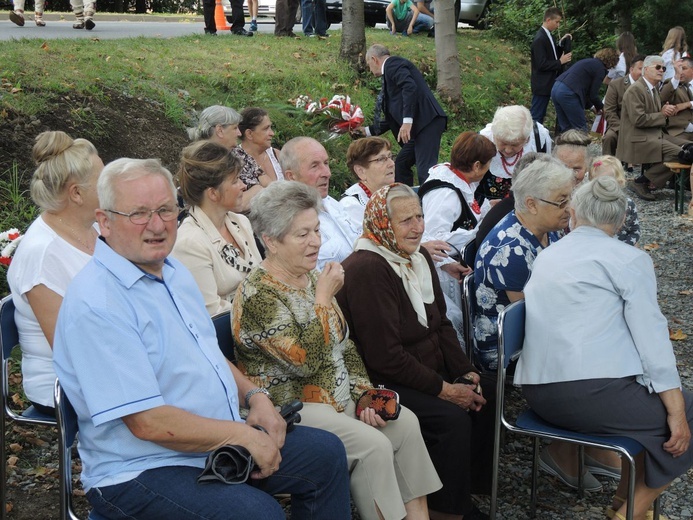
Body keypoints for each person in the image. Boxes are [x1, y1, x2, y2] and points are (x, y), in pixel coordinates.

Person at [52, 157, 351, 520]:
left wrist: (256, 397)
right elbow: (147, 423)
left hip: (209, 446)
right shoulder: (98, 303)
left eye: (165, 210)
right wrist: (244, 437)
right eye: (139, 214)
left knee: (326, 455)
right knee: (258, 514)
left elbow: (207, 350)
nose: (157, 225)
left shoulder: (171, 271)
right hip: (141, 469)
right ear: (105, 222)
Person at [234, 180, 442, 520]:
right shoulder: (259, 295)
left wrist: (364, 394)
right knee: (373, 447)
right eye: (302, 235)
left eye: (316, 229)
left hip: (338, 394)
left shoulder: (312, 276)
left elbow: (344, 346)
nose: (316, 241)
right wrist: (322, 301)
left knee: (405, 423)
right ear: (270, 241)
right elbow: (304, 362)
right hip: (291, 405)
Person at [515, 176, 693, 520]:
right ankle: (629, 512)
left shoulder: (549, 255)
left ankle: (624, 502)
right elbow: (653, 341)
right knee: (684, 411)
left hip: (539, 393)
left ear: (574, 215)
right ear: (622, 219)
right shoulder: (629, 259)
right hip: (590, 397)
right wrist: (676, 410)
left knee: (646, 395)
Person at [336, 183, 495, 520]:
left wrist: (465, 372)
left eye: (420, 216)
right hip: (384, 381)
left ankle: (464, 494)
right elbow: (385, 358)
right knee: (450, 418)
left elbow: (440, 325)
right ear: (382, 223)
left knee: (488, 391)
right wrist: (446, 390)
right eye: (405, 220)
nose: (418, 227)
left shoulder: (417, 256)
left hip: (424, 366)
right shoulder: (368, 268)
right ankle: (444, 510)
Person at [7, 130, 103, 415]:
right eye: (104, 180)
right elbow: (71, 350)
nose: (114, 186)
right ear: (76, 193)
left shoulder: (95, 228)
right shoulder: (42, 254)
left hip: (106, 361)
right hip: (65, 384)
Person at [172, 141, 262, 315]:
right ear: (213, 193)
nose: (244, 185)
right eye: (236, 181)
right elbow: (212, 312)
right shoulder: (189, 243)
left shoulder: (240, 221)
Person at [419, 131, 495, 338]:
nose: (489, 170)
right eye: (487, 165)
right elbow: (430, 239)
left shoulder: (456, 179)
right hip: (445, 272)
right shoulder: (446, 194)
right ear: (477, 166)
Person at [356, 44, 447, 186]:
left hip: (426, 122)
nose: (369, 68)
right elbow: (393, 114)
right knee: (401, 164)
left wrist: (407, 122)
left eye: (369, 64)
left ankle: (431, 203)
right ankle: (406, 198)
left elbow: (409, 87)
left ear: (374, 59)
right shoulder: (390, 71)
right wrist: (367, 130)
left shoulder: (392, 64)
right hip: (418, 126)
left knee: (425, 170)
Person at [617, 55, 691, 202]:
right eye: (657, 67)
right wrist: (661, 114)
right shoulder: (635, 90)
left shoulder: (653, 89)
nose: (661, 70)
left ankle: (652, 181)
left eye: (663, 68)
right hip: (639, 138)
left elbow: (654, 115)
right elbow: (638, 119)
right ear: (645, 69)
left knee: (690, 149)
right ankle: (642, 182)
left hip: (653, 134)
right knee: (684, 154)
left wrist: (663, 111)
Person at [281, 137, 361, 270]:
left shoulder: (331, 202)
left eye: (326, 163)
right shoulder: (288, 223)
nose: (327, 173)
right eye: (314, 166)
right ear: (291, 176)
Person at [188, 105, 264, 211]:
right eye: (235, 128)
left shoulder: (237, 152)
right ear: (219, 130)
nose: (239, 133)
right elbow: (223, 204)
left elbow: (262, 177)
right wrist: (258, 190)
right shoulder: (203, 160)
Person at [478, 105, 552, 201]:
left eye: (515, 144)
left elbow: (546, 173)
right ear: (494, 134)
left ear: (527, 139)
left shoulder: (539, 137)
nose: (508, 150)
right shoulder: (482, 142)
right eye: (503, 143)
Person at [551, 48, 620, 133]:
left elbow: (586, 91)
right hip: (568, 92)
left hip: (556, 87)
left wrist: (592, 107)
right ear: (612, 61)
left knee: (566, 128)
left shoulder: (588, 62)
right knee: (580, 129)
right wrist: (602, 108)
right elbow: (593, 95)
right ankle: (581, 145)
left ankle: (563, 145)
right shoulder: (600, 69)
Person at [339, 136, 396, 229]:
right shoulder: (351, 206)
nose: (391, 163)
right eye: (381, 159)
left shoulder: (395, 193)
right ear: (360, 171)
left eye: (390, 157)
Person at [530, 7, 572, 124]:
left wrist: (561, 43)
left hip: (550, 83)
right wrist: (560, 62)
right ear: (548, 20)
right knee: (536, 115)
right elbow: (541, 64)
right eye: (556, 22)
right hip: (542, 84)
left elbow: (552, 54)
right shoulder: (540, 39)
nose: (558, 25)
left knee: (540, 114)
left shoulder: (549, 35)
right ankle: (533, 139)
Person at [588, 155, 640, 246]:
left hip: (622, 249)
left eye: (608, 183)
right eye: (597, 183)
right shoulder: (590, 203)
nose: (603, 187)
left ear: (620, 182)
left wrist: (626, 247)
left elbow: (634, 231)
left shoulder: (628, 204)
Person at [602, 54, 645, 155]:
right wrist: (622, 129)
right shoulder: (616, 84)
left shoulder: (650, 86)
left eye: (645, 70)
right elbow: (609, 111)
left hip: (642, 126)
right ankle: (608, 165)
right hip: (620, 125)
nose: (643, 73)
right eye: (640, 69)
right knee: (609, 137)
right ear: (631, 69)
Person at [238, 107, 284, 184]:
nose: (272, 133)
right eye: (266, 129)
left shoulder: (277, 156)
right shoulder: (234, 162)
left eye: (270, 127)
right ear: (249, 134)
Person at [659, 56, 693, 141]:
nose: (680, 71)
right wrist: (676, 77)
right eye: (678, 68)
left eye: (684, 68)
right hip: (679, 133)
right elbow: (663, 97)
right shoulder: (672, 84)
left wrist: (687, 104)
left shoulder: (687, 85)